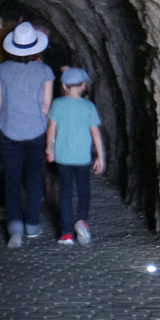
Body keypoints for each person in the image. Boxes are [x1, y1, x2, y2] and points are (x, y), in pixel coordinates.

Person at [0, 21, 53, 248]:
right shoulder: (45, 71)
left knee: (12, 180)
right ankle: (33, 225)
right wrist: (50, 136)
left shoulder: (2, 70)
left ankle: (15, 227)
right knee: (34, 178)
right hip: (37, 131)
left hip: (9, 131)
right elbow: (47, 107)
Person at [46, 67, 105, 246]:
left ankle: (66, 233)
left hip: (63, 156)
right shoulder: (88, 107)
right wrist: (100, 156)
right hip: (82, 157)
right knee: (83, 191)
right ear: (83, 85)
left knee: (65, 193)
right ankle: (82, 220)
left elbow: (52, 129)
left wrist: (50, 149)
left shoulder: (57, 104)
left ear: (64, 86)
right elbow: (96, 133)